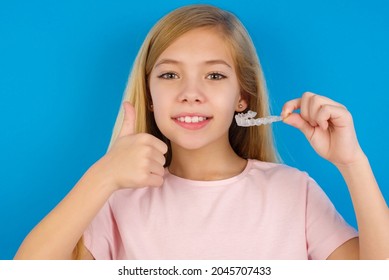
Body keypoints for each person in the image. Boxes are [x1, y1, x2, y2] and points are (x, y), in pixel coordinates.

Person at [14, 4, 389, 260]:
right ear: (149, 96)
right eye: (169, 74)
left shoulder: (294, 192)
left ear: (242, 98)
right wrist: (103, 176)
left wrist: (353, 162)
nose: (190, 93)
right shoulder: (118, 201)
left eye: (214, 75)